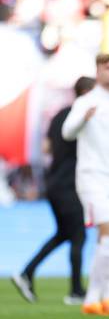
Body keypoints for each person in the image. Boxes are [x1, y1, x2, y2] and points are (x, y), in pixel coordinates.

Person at [12, 76, 95, 305]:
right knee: (78, 235)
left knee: (64, 234)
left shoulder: (60, 114)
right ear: (87, 94)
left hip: (54, 182)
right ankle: (76, 291)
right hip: (69, 184)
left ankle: (26, 273)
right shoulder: (84, 118)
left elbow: (47, 147)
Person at [62, 54, 109, 316]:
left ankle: (98, 297)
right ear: (98, 71)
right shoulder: (86, 101)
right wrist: (83, 119)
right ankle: (98, 295)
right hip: (92, 177)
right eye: (108, 68)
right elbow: (67, 132)